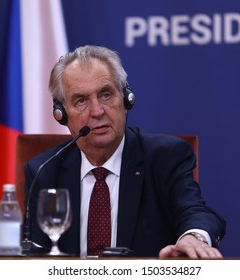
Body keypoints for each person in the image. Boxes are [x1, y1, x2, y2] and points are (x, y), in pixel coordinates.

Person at [24, 45, 226, 259]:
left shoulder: (165, 157)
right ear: (61, 114)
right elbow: (34, 254)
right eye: (81, 100)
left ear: (126, 99)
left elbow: (196, 212)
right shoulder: (44, 171)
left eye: (106, 95)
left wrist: (194, 237)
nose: (97, 111)